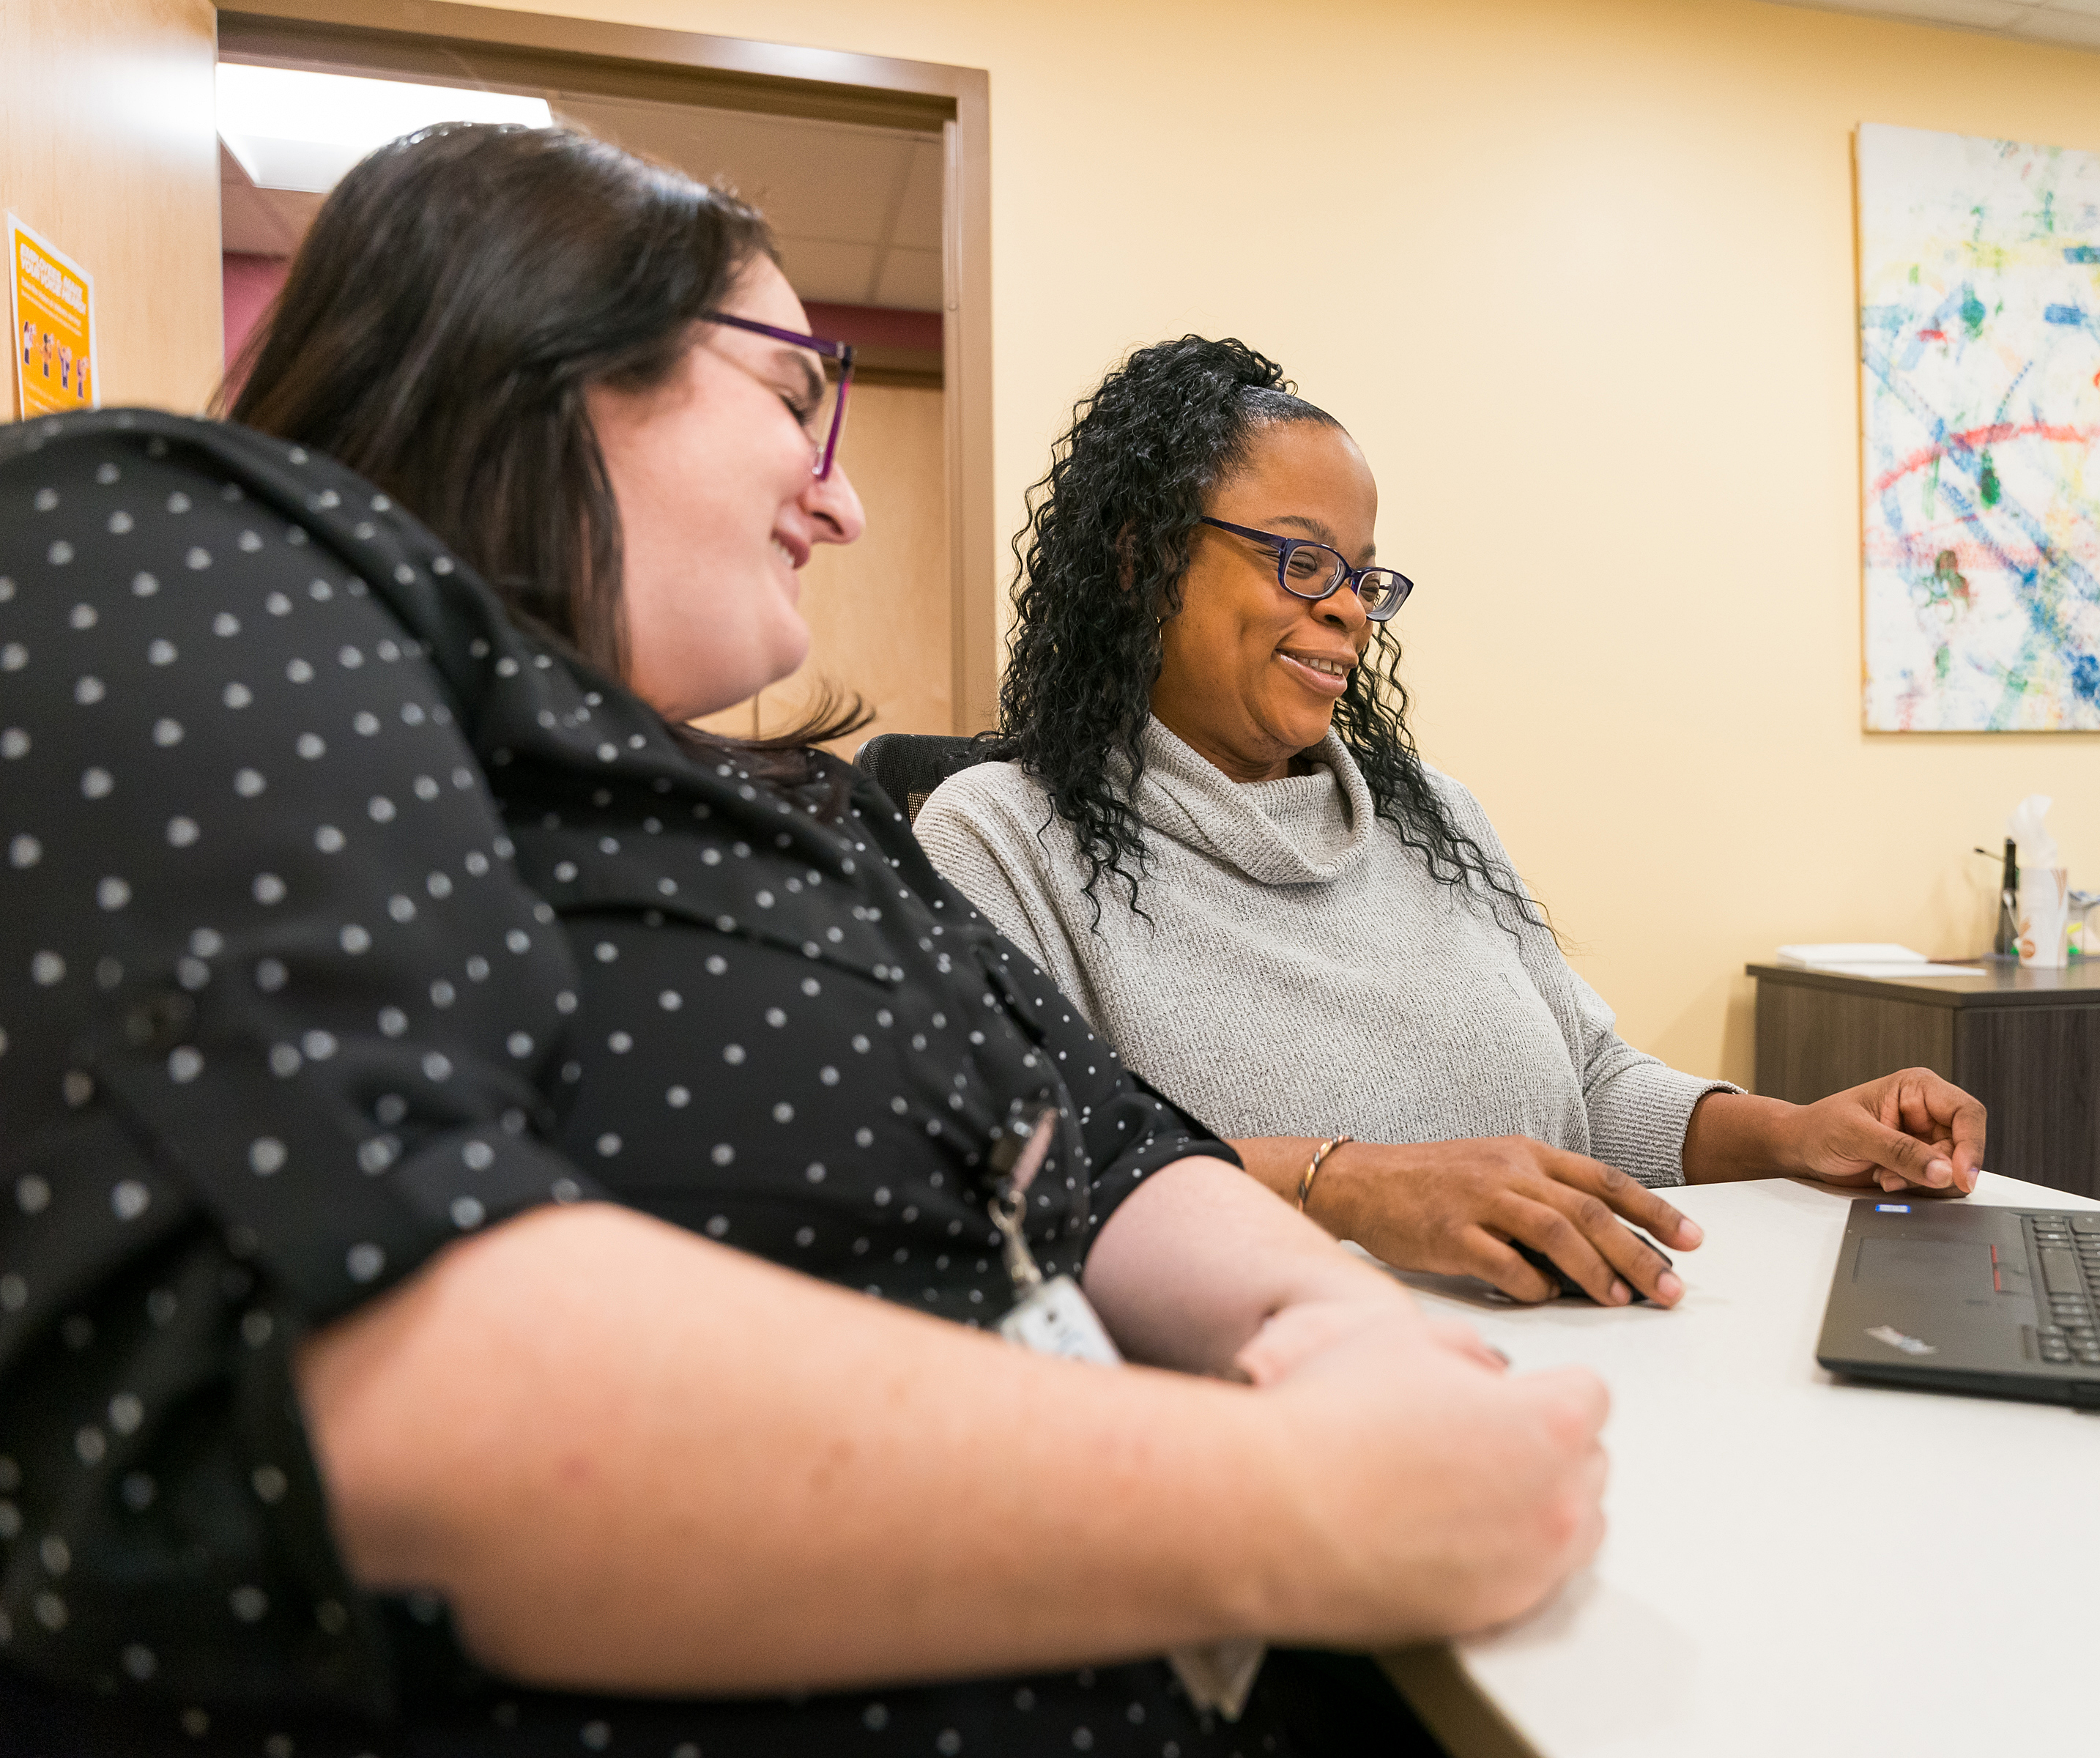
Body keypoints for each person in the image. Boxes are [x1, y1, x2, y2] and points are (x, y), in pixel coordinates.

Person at [0, 127, 1609, 1756]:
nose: (839, 499)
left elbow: (1109, 1147)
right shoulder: (152, 534)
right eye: (792, 401)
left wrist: (1329, 1331)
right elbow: (350, 1355)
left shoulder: (813, 811)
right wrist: (1302, 1503)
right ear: (535, 340)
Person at [916, 338, 1989, 1310]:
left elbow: (1595, 1088)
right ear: (1140, 560)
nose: (1343, 608)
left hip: (1598, 1371)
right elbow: (1019, 1180)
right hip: (1283, 1427)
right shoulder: (1004, 839)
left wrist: (1792, 1135)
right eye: (1298, 560)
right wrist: (1350, 1187)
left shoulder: (1433, 816)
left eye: (1358, 577)